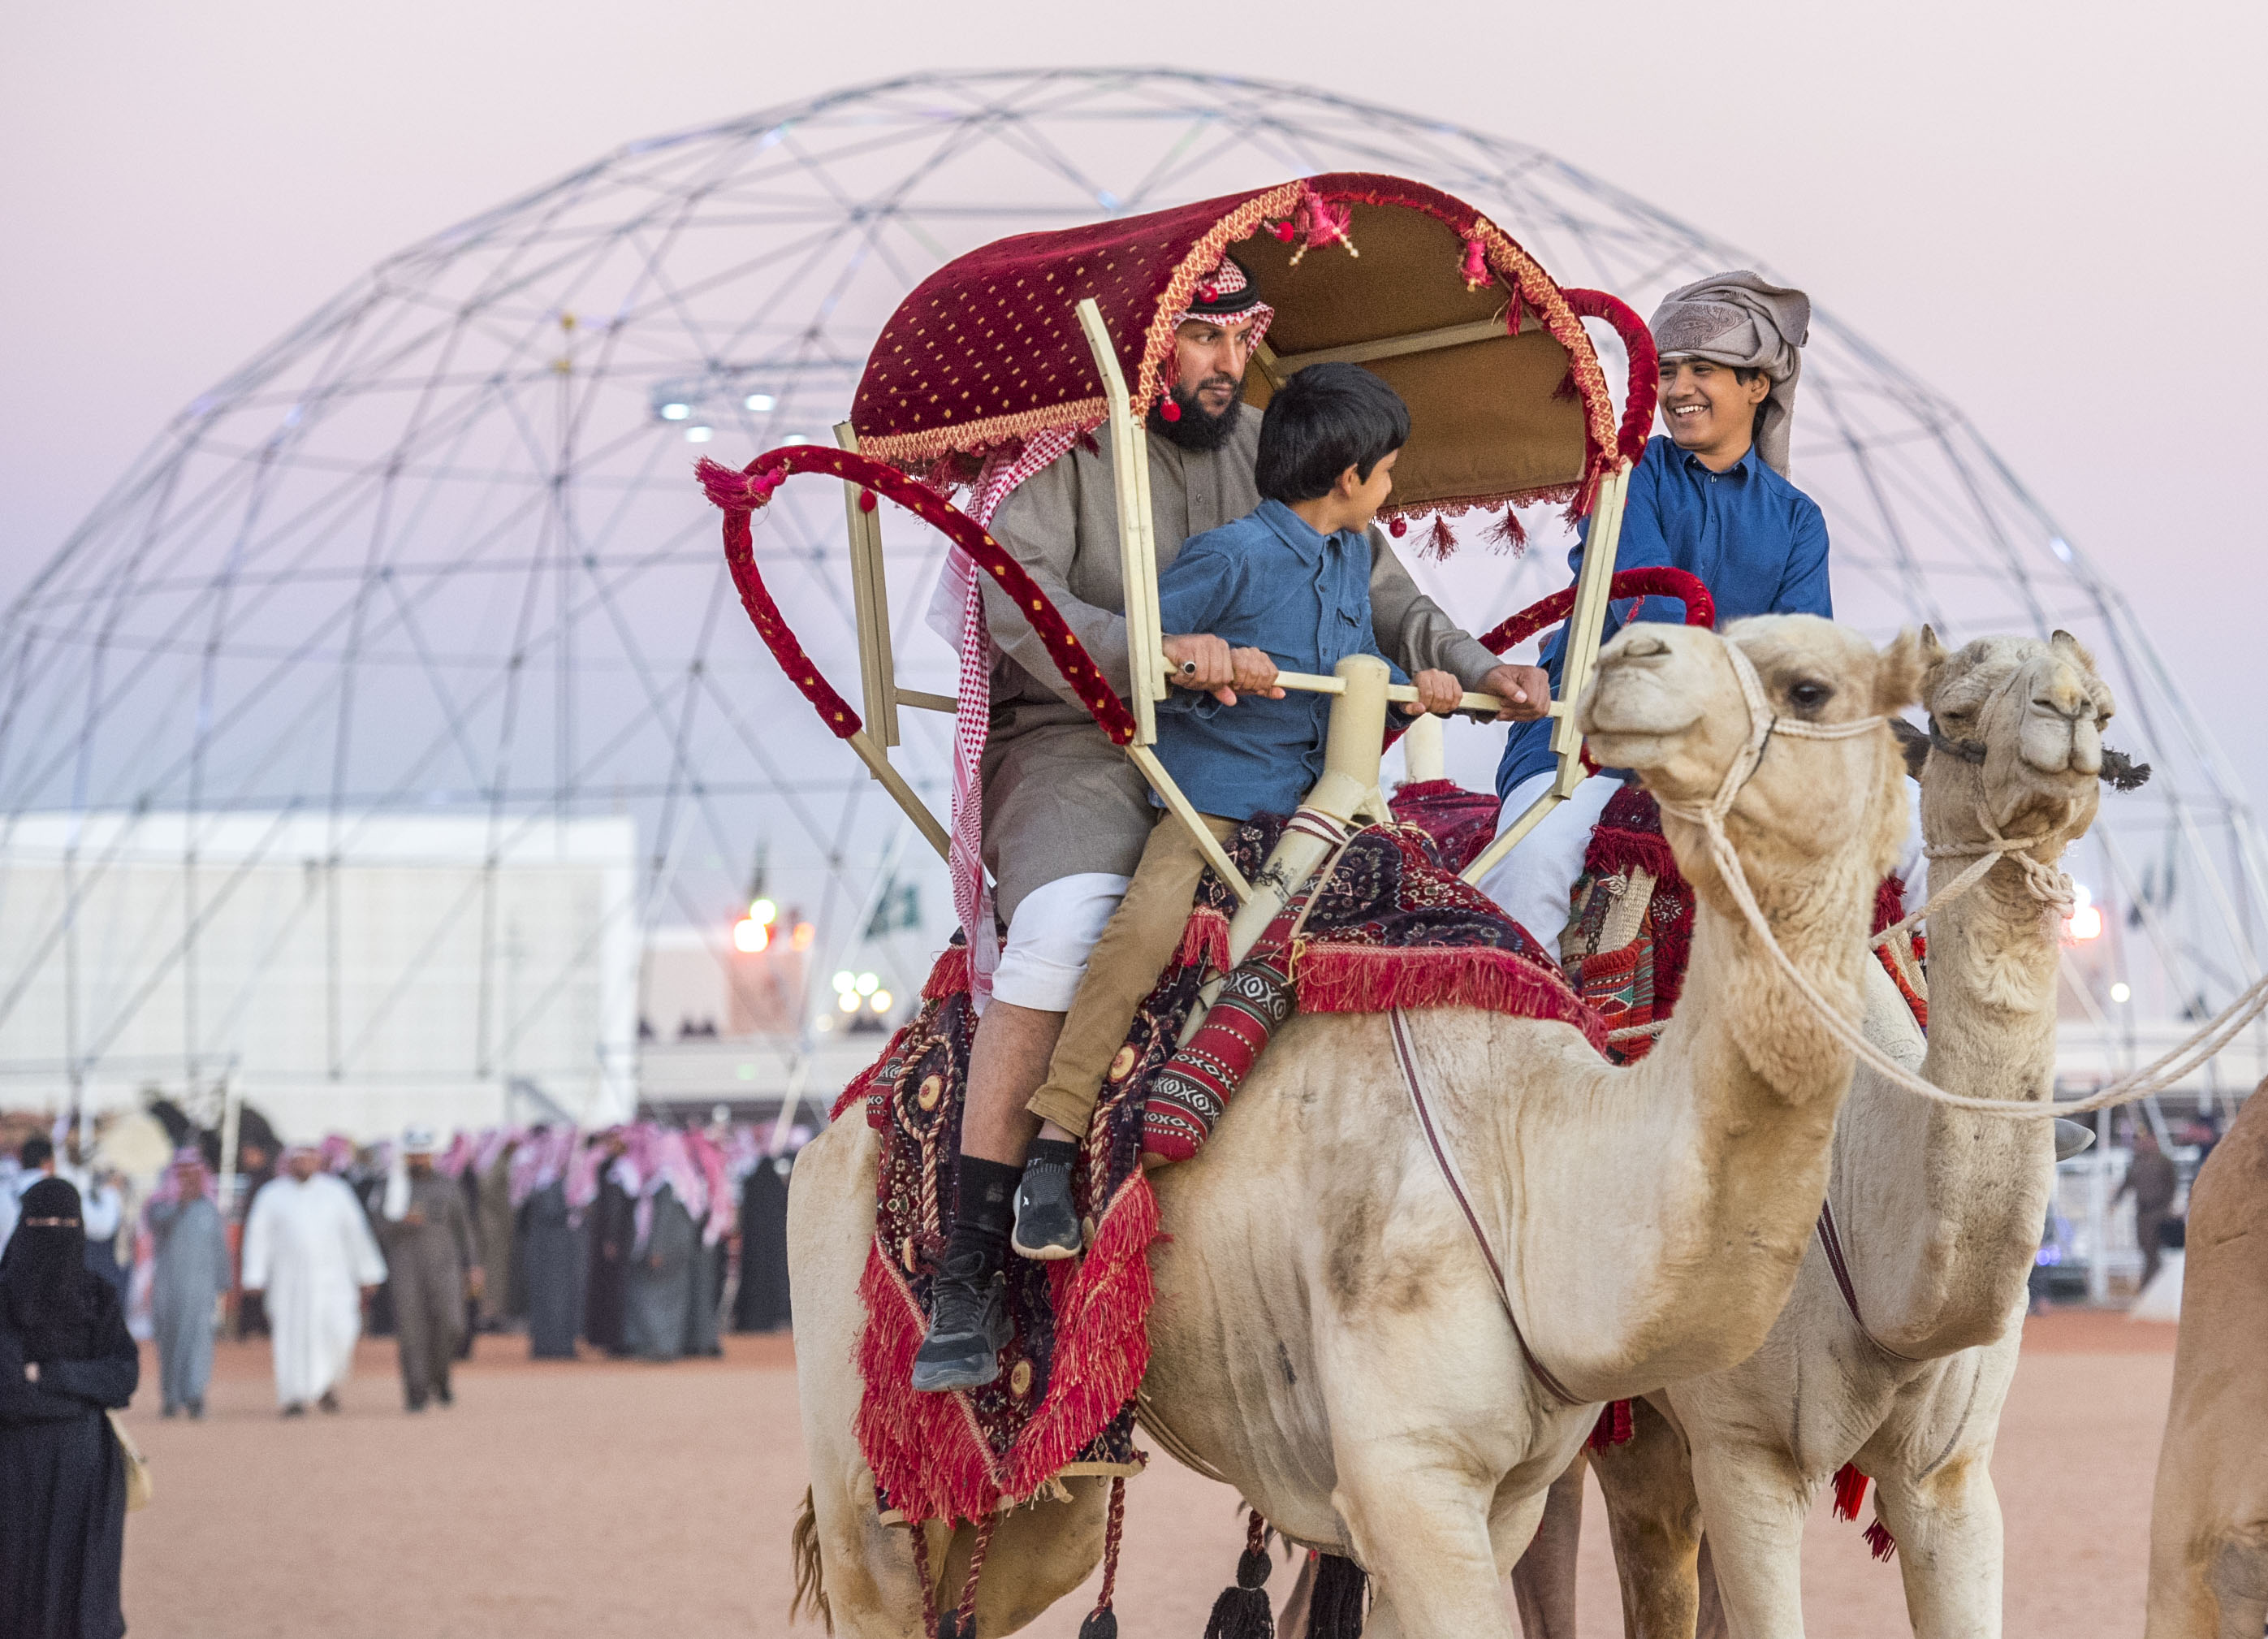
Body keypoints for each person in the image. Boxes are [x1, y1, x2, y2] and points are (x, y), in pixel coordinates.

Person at [916, 362, 1482, 1390]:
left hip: (1272, 755)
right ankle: (975, 1262)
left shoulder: (1280, 449)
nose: (1224, 357)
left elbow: (1392, 601)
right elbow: (1016, 598)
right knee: (1073, 925)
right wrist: (1156, 651)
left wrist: (1481, 672)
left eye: (1240, 332)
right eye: (1200, 334)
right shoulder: (1058, 450)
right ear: (1147, 339)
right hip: (1079, 731)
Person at [1478, 271, 1829, 955]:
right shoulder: (1624, 474)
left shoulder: (1796, 520)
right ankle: (1510, 1042)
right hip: (1586, 745)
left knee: (1895, 845)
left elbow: (1800, 657)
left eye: (1703, 369)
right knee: (1526, 864)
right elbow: (1650, 616)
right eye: (1667, 371)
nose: (1677, 389)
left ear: (1758, 385)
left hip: (1734, 758)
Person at [0, 1178, 139, 1639]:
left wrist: (52, 1374)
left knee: (83, 1593)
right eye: (42, 1221)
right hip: (15, 1467)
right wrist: (86, 1389)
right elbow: (8, 1389)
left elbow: (124, 1377)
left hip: (86, 1470)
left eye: (66, 1222)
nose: (54, 1231)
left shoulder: (98, 1295)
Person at [241, 1143, 387, 1416]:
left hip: (335, 1281)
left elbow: (356, 1234)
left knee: (341, 1331)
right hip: (288, 1283)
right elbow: (258, 1238)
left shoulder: (336, 1192)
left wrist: (368, 1271)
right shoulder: (271, 1195)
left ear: (318, 1161)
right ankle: (294, 1396)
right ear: (289, 1162)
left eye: (310, 1158)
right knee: (290, 1338)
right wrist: (255, 1276)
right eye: (299, 1159)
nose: (304, 1164)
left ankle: (327, 1385)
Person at [375, 1131, 480, 1411]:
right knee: (412, 1332)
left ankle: (440, 1378)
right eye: (413, 1154)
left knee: (452, 1325)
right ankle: (416, 1391)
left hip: (444, 1268)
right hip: (406, 1269)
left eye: (423, 1153)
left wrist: (473, 1266)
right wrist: (400, 1222)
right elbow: (377, 1226)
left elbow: (463, 1228)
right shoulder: (392, 1187)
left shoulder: (448, 1186)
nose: (418, 1159)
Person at [145, 1148, 231, 1419]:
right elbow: (156, 1225)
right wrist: (178, 1203)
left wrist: (224, 1282)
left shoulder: (210, 1209)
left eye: (195, 1176)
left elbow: (220, 1249)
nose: (190, 1182)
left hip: (201, 1289)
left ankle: (195, 1395)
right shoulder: (160, 1207)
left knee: (199, 1342)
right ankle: (171, 1397)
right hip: (168, 1289)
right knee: (169, 1342)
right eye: (184, 1176)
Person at [2116, 1126, 2180, 1291]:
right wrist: (2115, 1201)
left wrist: (2168, 1207)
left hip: (2158, 1211)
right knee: (2146, 1249)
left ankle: (2149, 1287)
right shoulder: (2137, 1161)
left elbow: (2172, 1185)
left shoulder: (2164, 1162)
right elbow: (2127, 1182)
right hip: (2142, 1213)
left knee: (2153, 1251)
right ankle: (2152, 1287)